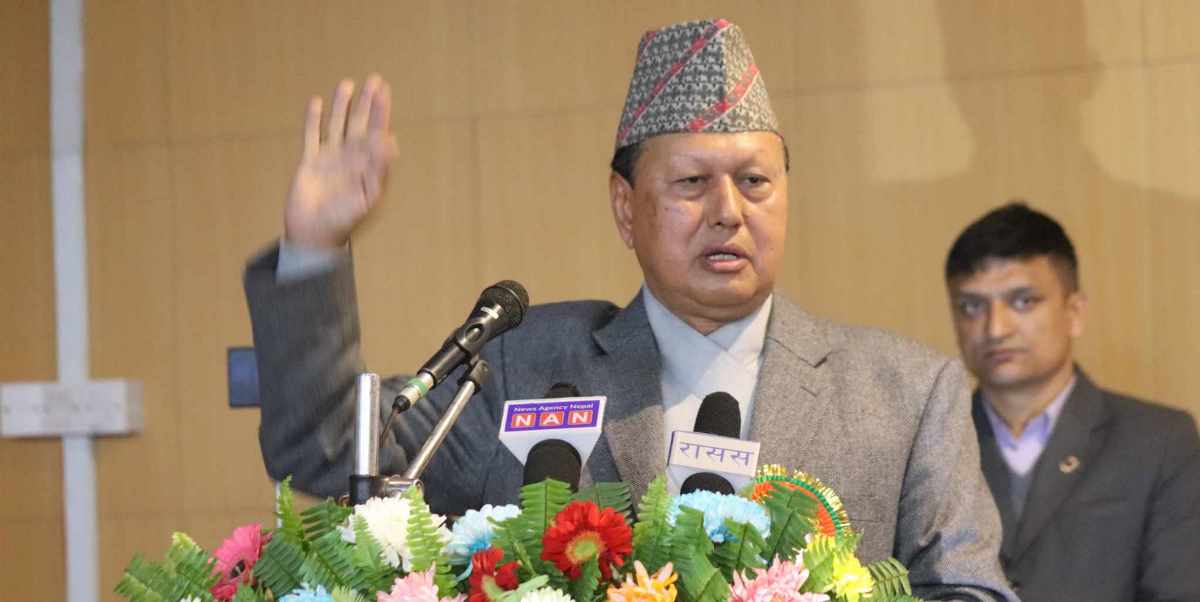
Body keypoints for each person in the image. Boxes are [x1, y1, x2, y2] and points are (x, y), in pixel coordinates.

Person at [245, 19, 1013, 599]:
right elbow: (328, 447)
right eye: (691, 184)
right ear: (625, 207)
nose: (728, 211)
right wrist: (313, 248)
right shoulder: (522, 365)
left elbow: (970, 591)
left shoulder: (905, 394)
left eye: (755, 182)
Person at [945, 202, 1200, 601]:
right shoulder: (934, 445)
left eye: (1023, 301)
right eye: (972, 306)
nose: (995, 328)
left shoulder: (1160, 442)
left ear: (1074, 312)